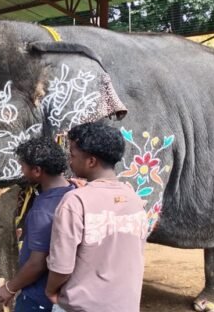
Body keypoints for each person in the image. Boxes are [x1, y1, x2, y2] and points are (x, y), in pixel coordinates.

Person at [45, 122, 147, 312]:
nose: (69, 161)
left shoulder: (74, 202)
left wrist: (51, 290)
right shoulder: (135, 199)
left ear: (91, 161)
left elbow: (62, 266)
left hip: (81, 306)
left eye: (73, 155)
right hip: (125, 305)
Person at [0, 137, 73, 311]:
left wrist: (9, 288)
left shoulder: (42, 209)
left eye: (23, 167)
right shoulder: (74, 193)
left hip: (38, 298)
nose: (22, 172)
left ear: (37, 170)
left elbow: (38, 263)